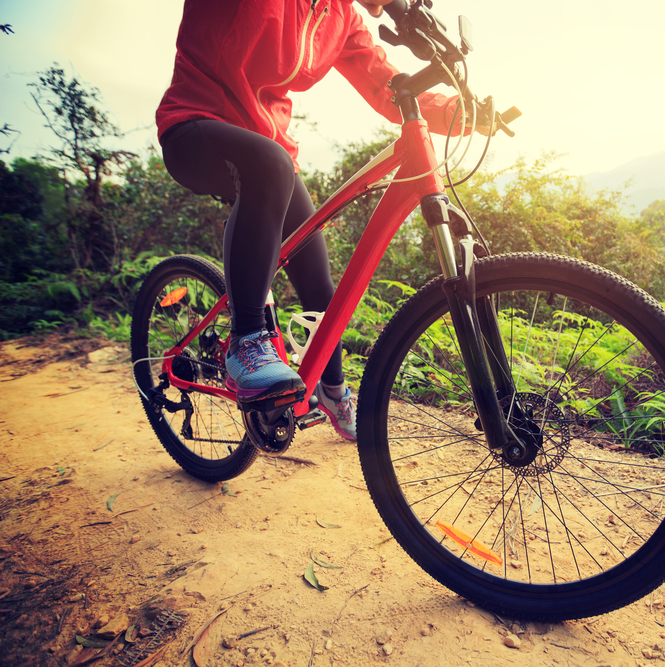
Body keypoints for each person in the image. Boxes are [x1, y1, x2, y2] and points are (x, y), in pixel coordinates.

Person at [155, 0, 465, 440]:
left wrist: (456, 111)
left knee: (319, 283)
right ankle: (246, 342)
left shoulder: (341, 18)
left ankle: (333, 393)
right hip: (194, 126)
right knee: (271, 165)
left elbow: (386, 84)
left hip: (270, 149)